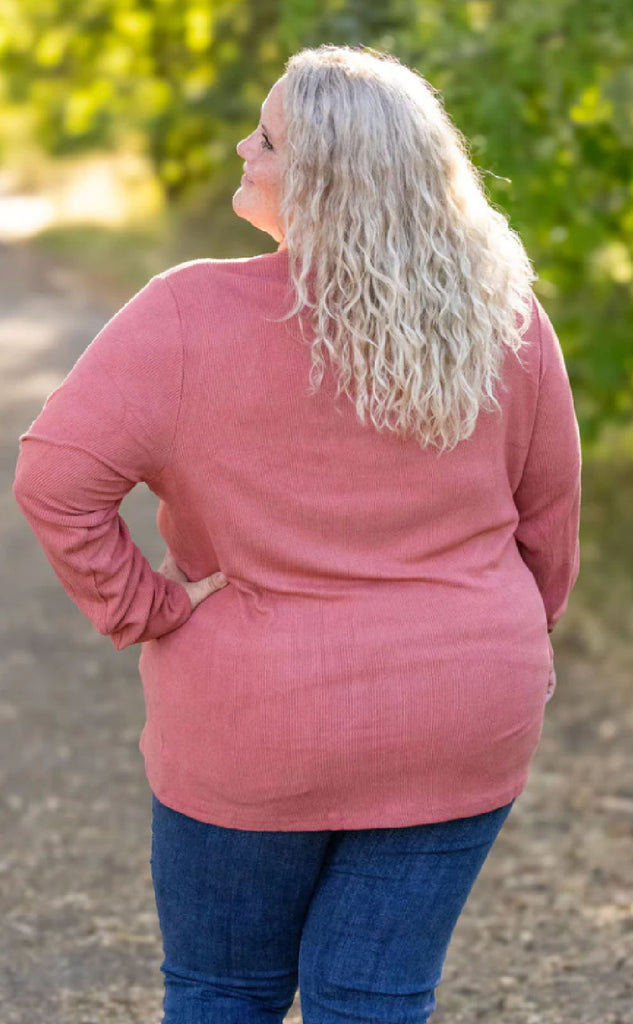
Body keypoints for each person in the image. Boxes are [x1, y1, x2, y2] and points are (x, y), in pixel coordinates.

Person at [13, 43, 580, 1024]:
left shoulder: (186, 313)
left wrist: (140, 606)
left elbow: (55, 482)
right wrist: (505, 644)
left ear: (323, 174)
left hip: (250, 719)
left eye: (265, 138)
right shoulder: (504, 315)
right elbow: (547, 529)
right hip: (460, 709)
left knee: (224, 991)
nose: (242, 145)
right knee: (373, 998)